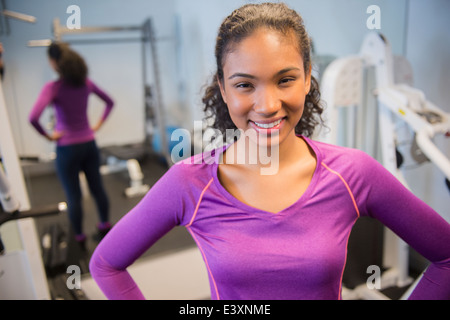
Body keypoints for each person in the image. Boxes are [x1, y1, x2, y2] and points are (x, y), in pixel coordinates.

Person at [89, 3, 450, 300]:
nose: (267, 105)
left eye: (285, 79)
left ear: (308, 77)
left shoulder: (353, 173)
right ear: (224, 88)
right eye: (245, 84)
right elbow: (106, 265)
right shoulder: (189, 182)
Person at [29, 42, 114, 248]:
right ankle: (104, 227)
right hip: (89, 144)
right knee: (98, 189)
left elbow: (33, 117)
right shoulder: (86, 83)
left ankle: (79, 239)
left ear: (54, 62)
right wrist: (97, 125)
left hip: (67, 149)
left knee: (74, 196)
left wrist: (49, 137)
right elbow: (109, 102)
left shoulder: (53, 88)